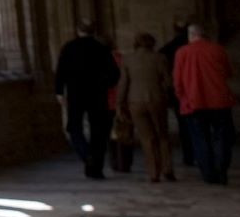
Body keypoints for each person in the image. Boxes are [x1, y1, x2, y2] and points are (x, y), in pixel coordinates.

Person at [173, 22, 236, 185]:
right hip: (219, 101)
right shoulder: (217, 49)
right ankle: (222, 169)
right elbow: (228, 73)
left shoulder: (182, 52)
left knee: (200, 139)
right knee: (222, 138)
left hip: (194, 102)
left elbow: (177, 81)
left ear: (191, 35)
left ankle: (209, 174)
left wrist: (182, 99)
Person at [54, 22, 119, 179]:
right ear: (94, 31)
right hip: (97, 94)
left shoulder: (69, 48)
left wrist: (59, 92)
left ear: (78, 31)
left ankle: (87, 155)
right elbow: (114, 74)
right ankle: (96, 168)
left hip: (76, 94)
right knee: (99, 131)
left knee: (74, 127)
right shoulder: (101, 48)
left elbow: (60, 71)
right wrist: (105, 84)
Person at [118, 32, 174, 182]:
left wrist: (119, 103)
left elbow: (123, 84)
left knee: (147, 138)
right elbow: (168, 82)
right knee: (162, 135)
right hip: (156, 99)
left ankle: (153, 173)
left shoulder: (128, 59)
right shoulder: (160, 58)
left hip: (135, 101)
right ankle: (167, 169)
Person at [162, 23, 193, 166]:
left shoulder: (168, 48)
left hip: (177, 90)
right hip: (193, 89)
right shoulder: (191, 48)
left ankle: (188, 156)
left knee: (183, 124)